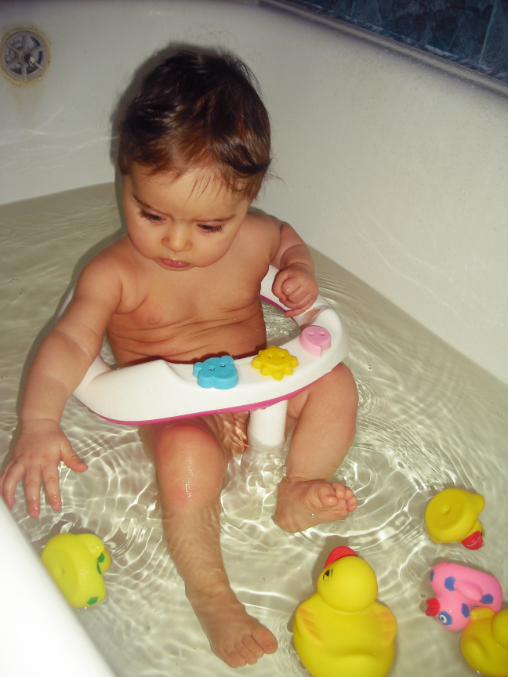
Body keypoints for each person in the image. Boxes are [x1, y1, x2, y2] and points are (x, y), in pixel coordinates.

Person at [0, 50, 358, 668]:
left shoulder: (256, 238)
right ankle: (210, 591)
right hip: (179, 414)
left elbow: (284, 239)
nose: (175, 241)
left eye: (209, 226)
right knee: (186, 455)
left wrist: (296, 267)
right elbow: (71, 343)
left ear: (247, 201)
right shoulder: (113, 273)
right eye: (151, 213)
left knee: (335, 384)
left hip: (256, 391)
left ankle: (298, 483)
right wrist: (37, 422)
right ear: (124, 176)